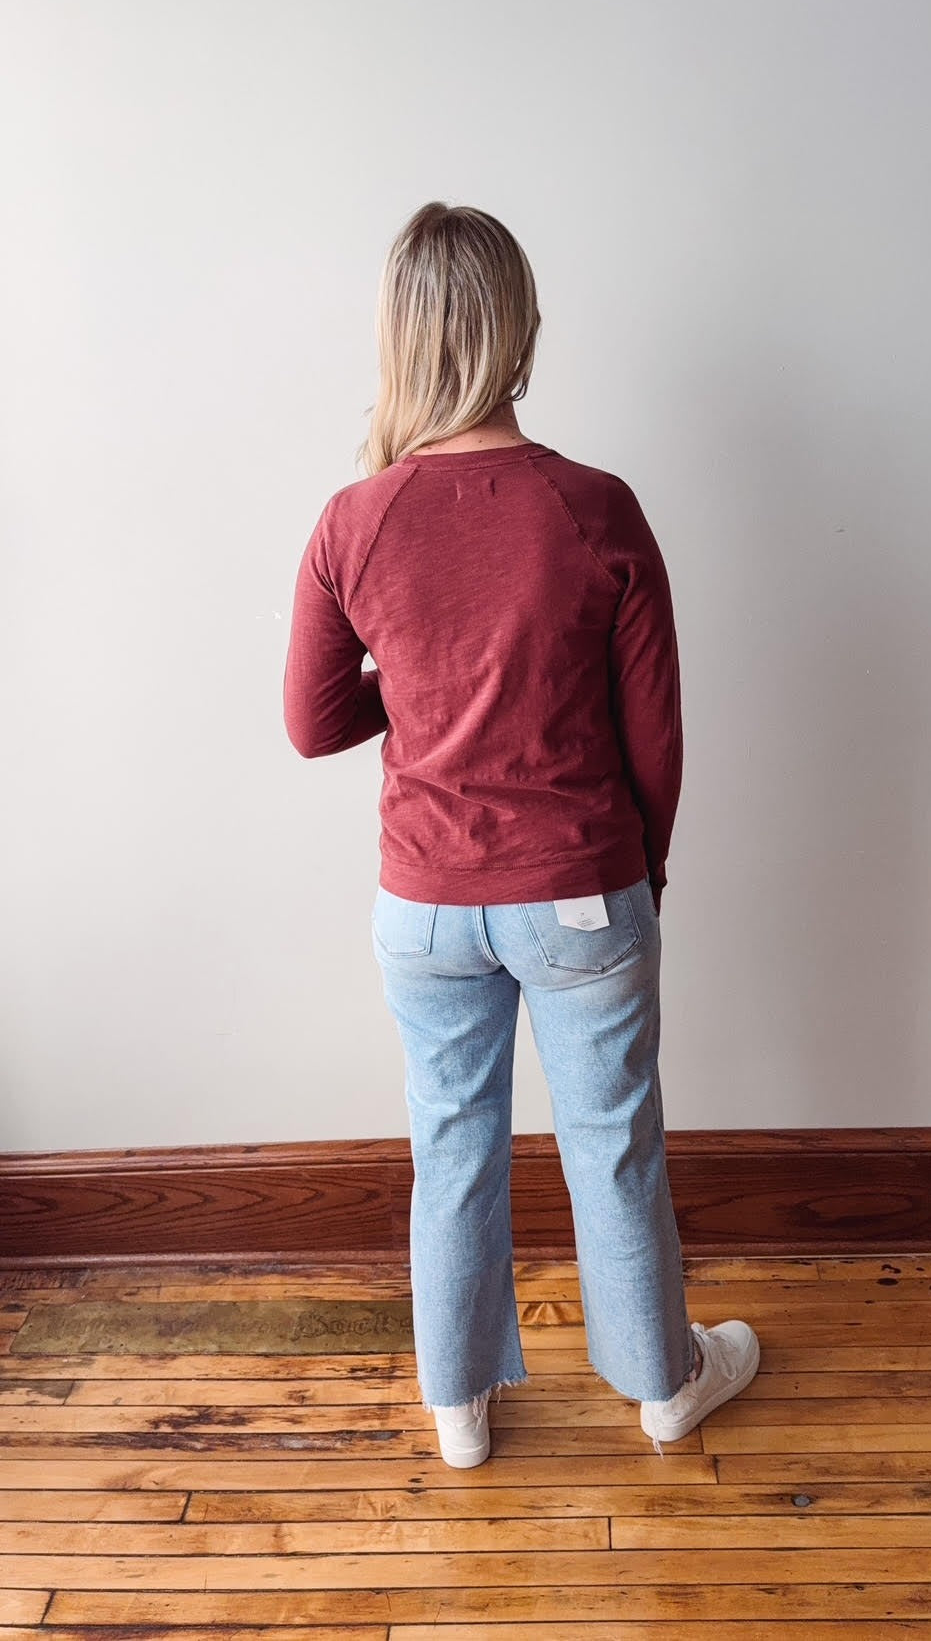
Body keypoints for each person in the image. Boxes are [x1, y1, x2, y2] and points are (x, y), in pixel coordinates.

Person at [283, 200, 761, 1466]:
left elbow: (313, 720)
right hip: (580, 892)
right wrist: (638, 876)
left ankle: (459, 1412)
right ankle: (664, 1386)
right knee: (612, 1139)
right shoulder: (595, 507)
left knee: (451, 1140)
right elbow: (653, 735)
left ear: (399, 340)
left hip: (424, 904)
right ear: (521, 330)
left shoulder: (352, 520)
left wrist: (429, 678)